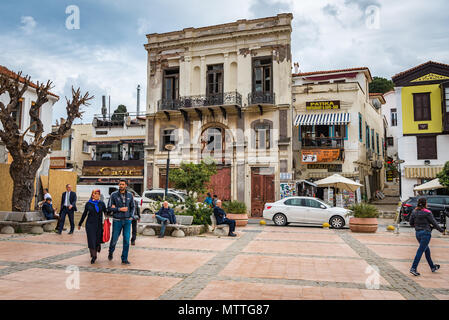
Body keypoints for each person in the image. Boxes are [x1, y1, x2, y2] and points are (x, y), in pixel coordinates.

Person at [409, 197, 444, 276]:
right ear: (425, 203)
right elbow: (434, 223)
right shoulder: (428, 212)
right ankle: (413, 268)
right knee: (420, 251)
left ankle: (432, 267)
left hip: (418, 233)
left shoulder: (414, 211)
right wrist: (441, 230)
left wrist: (417, 225)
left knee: (426, 250)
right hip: (426, 233)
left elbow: (411, 223)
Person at [107, 179, 135, 265]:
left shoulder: (130, 195)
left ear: (126, 185)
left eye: (123, 184)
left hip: (127, 221)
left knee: (126, 240)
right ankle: (111, 251)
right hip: (117, 221)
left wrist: (131, 216)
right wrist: (119, 209)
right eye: (120, 184)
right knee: (114, 239)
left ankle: (124, 258)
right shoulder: (113, 195)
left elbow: (133, 207)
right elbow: (109, 207)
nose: (121, 186)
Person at [78, 190, 107, 264]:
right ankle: (94, 256)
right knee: (91, 239)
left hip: (99, 224)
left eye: (97, 194)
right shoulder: (88, 204)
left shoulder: (102, 203)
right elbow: (84, 214)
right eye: (94, 194)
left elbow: (106, 212)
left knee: (97, 239)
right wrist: (80, 223)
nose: (95, 195)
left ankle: (96, 249)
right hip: (90, 224)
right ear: (92, 195)